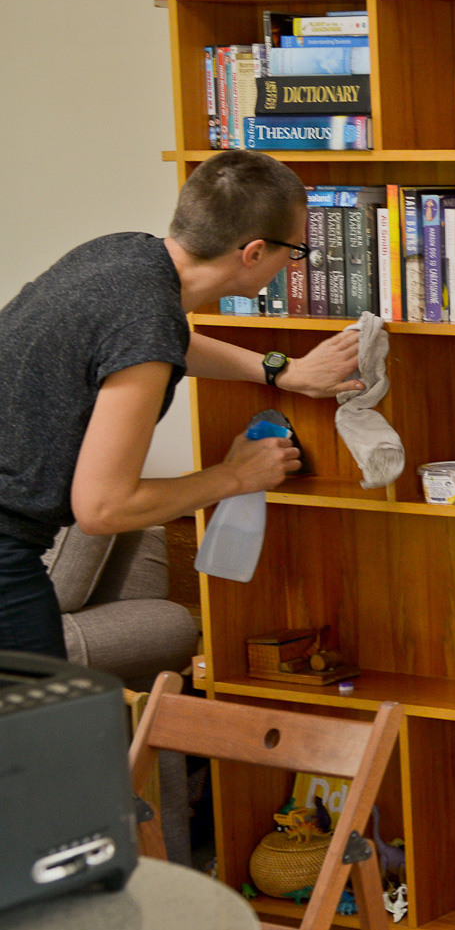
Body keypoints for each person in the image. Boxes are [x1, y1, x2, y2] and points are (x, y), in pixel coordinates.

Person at [0, 150, 363, 658]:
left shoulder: (122, 256)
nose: (292, 264)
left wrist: (281, 369)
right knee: (48, 733)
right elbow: (103, 507)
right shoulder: (145, 323)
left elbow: (149, 342)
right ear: (254, 253)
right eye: (295, 252)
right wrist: (236, 476)